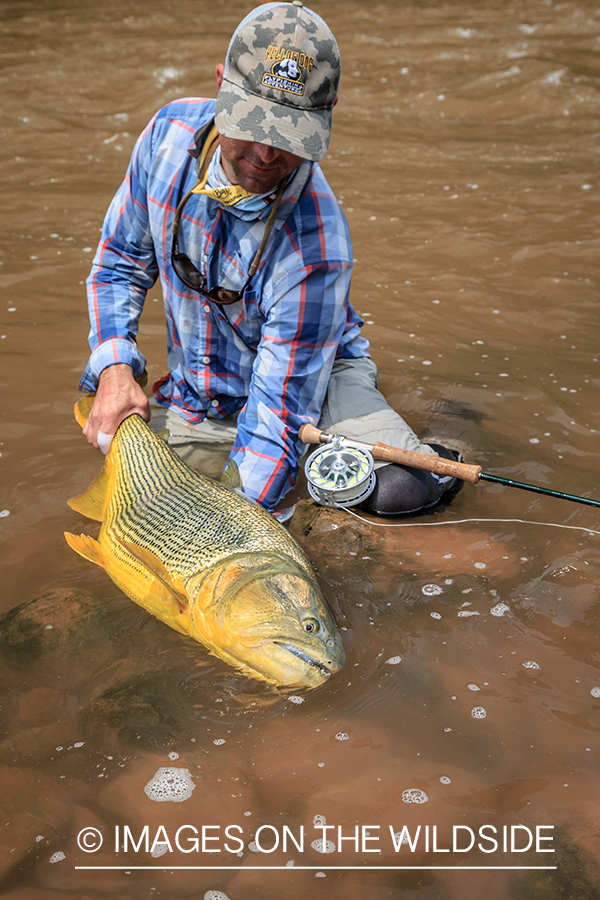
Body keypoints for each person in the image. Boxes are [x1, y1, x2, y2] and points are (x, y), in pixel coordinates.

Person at [78, 0, 459, 517]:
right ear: (220, 85)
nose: (264, 155)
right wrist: (115, 368)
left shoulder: (320, 246)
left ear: (328, 116)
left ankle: (441, 445)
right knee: (129, 501)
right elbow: (120, 263)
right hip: (204, 395)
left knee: (397, 494)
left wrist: (233, 532)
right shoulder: (164, 139)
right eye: (251, 125)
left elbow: (277, 418)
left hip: (312, 380)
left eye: (288, 137)